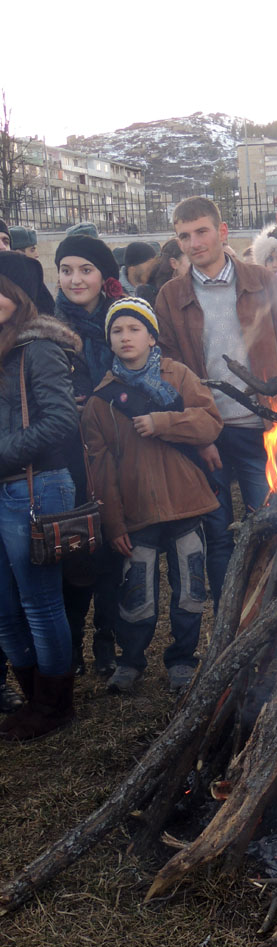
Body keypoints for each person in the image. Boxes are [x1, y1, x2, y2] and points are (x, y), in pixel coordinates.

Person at [155, 196, 277, 609]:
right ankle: (228, 618)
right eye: (184, 236)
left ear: (222, 231)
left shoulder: (261, 281)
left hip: (260, 428)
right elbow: (169, 370)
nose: (194, 243)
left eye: (201, 232)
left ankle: (267, 613)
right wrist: (198, 434)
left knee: (270, 524)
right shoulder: (171, 295)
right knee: (217, 534)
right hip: (209, 431)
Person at [81, 298, 223, 692]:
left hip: (186, 502)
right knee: (137, 592)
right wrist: (113, 523)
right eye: (117, 330)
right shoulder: (101, 400)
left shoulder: (179, 377)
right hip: (137, 510)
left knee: (191, 590)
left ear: (151, 335)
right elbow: (101, 469)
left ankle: (182, 659)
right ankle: (131, 661)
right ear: (108, 339)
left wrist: (163, 422)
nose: (125, 337)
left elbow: (210, 422)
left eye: (134, 329)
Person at [0, 253, 80, 741]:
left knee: (40, 604)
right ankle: (33, 698)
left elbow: (60, 422)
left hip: (34, 488)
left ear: (20, 293)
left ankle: (54, 706)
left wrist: (2, 454)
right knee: (4, 608)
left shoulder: (38, 348)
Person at [55, 233, 125, 675]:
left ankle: (107, 638)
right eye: (66, 270)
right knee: (75, 547)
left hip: (121, 447)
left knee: (116, 547)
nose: (75, 279)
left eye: (85, 270)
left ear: (104, 276)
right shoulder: (47, 325)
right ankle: (74, 638)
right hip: (70, 453)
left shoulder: (125, 318)